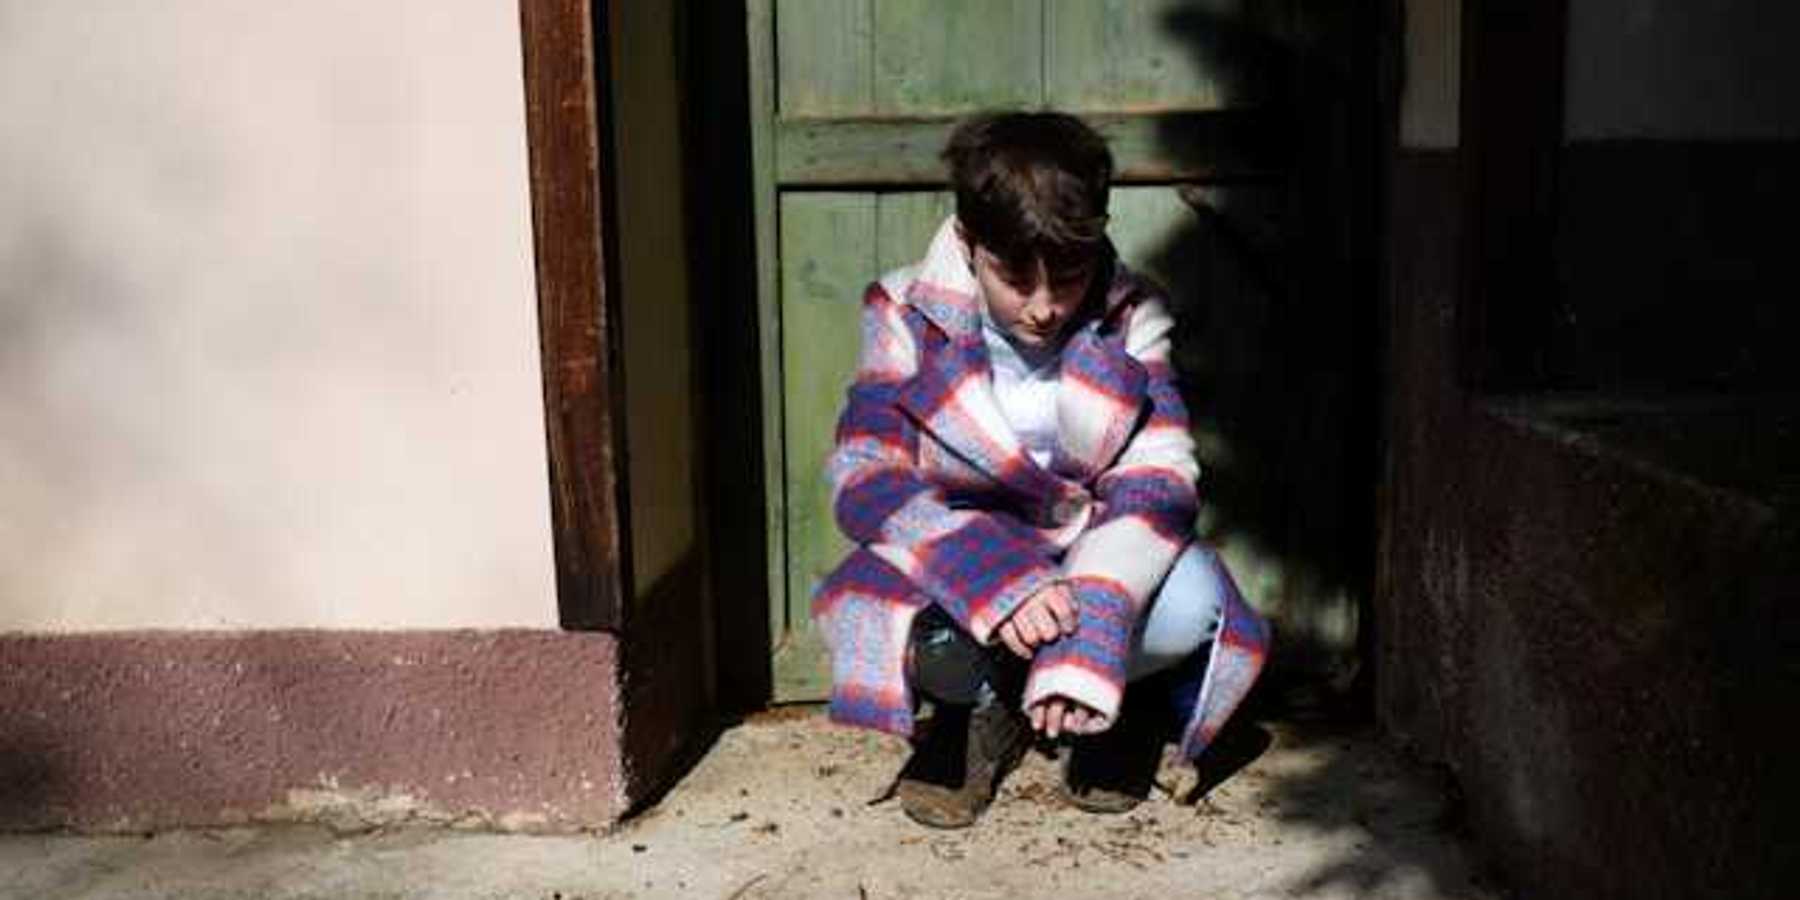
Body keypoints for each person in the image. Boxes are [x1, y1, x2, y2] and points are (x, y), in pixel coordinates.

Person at [812, 111, 1269, 829]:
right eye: (1014, 276)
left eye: (1069, 275)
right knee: (900, 622)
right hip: (962, 544)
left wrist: (1090, 626)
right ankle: (983, 710)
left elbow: (1159, 476)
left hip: (1095, 541)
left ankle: (1110, 704)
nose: (1045, 306)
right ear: (968, 244)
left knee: (1191, 608)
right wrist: (992, 577)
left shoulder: (1132, 310)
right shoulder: (902, 308)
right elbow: (866, 473)